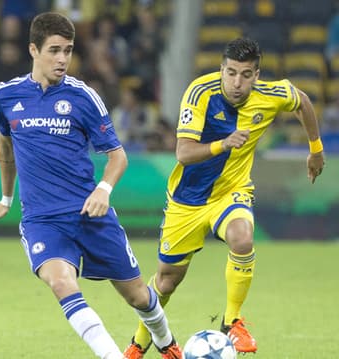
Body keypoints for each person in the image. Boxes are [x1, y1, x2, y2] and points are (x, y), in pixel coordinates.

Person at [0, 12, 182, 359]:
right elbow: (5, 144)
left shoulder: (83, 97)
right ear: (33, 49)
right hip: (43, 220)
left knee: (138, 296)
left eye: (68, 51)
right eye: (54, 50)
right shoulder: (6, 97)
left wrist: (103, 190)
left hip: (90, 214)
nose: (62, 59)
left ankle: (167, 344)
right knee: (61, 283)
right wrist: (5, 198)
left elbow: (118, 157)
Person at [124, 37, 325, 358]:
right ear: (221, 69)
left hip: (232, 192)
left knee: (243, 239)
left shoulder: (271, 95)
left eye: (246, 75)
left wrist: (315, 149)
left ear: (256, 75)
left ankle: (232, 322)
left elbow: (302, 101)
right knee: (166, 282)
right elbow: (183, 153)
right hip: (186, 201)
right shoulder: (200, 92)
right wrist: (223, 143)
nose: (237, 82)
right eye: (231, 73)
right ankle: (138, 344)